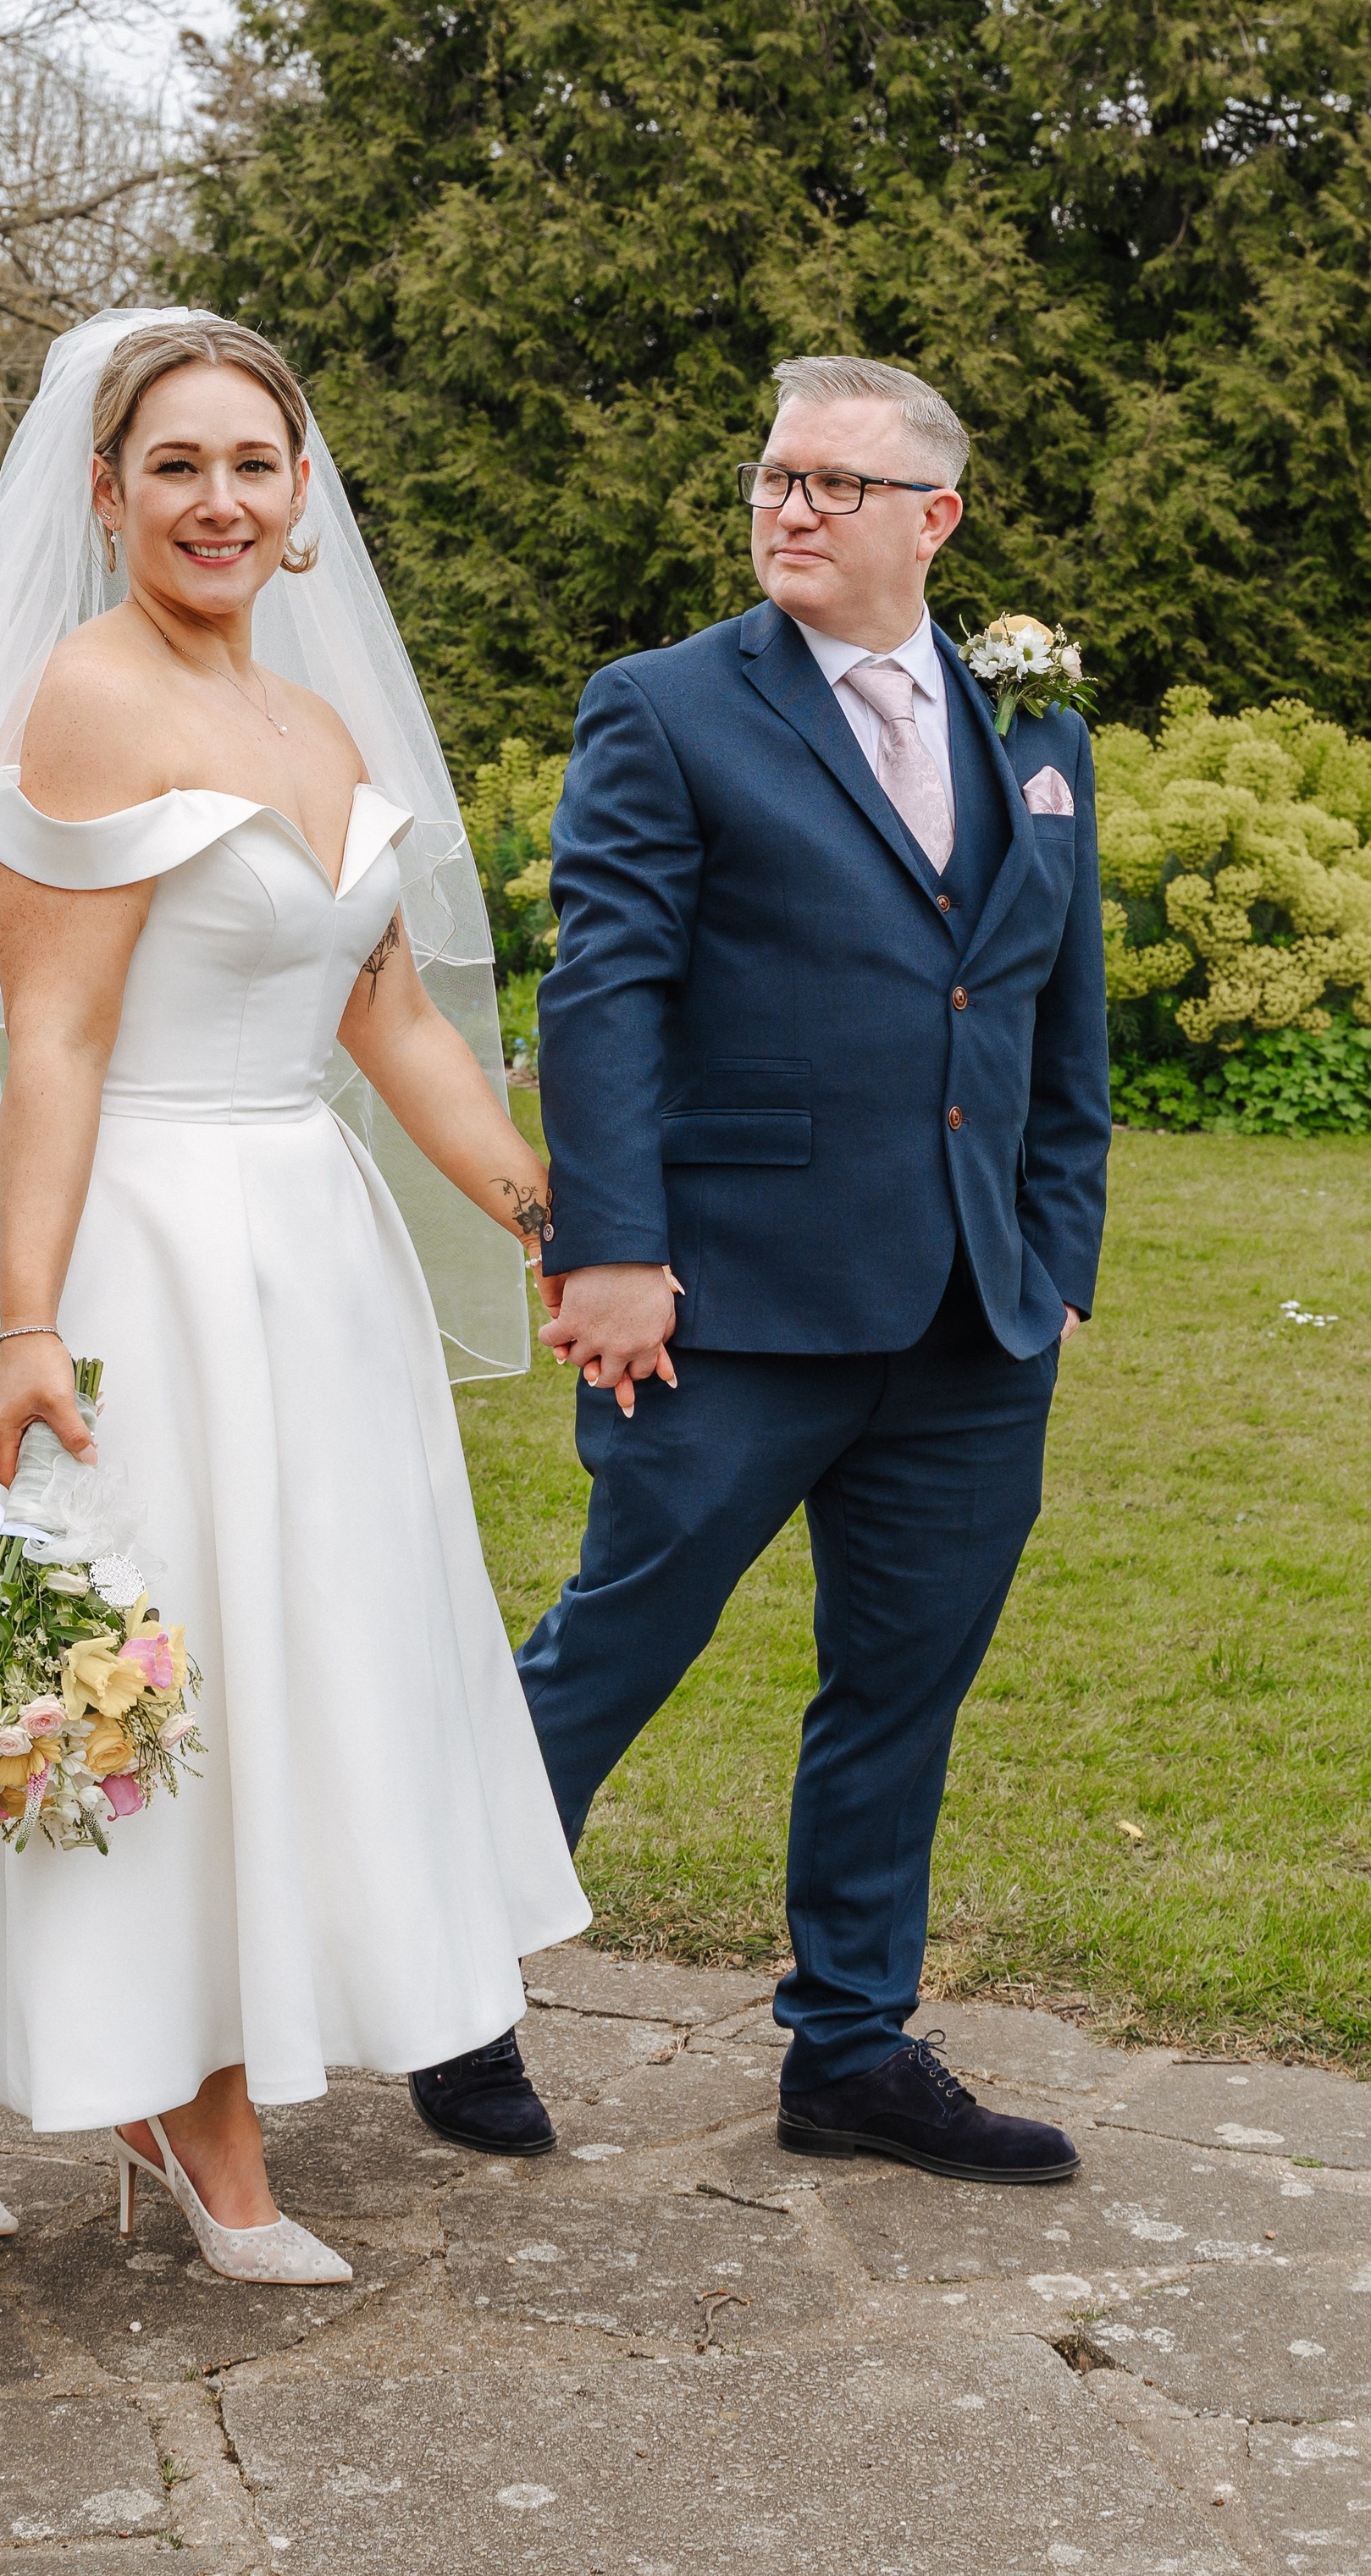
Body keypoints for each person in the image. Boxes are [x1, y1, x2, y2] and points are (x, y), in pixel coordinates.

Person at [0, 312, 588, 2267]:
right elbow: (56, 1043)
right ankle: (131, 2116)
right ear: (103, 491)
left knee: (263, 1670)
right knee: (93, 1667)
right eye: (175, 465)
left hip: (303, 1254)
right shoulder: (92, 699)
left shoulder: (322, 730)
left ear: (302, 503)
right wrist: (26, 1323)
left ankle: (88, 2082)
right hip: (123, 1248)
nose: (219, 500)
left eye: (253, 465)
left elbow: (391, 1019)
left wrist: (543, 1204)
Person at [455, 352, 1110, 2183]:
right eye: (771, 478)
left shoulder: (1032, 723)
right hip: (725, 1301)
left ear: (935, 517)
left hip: (975, 1314)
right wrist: (611, 1249)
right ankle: (440, 1981)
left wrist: (1057, 1242)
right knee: (613, 1648)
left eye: (833, 483)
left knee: (901, 1681)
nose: (790, 509)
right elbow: (606, 985)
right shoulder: (667, 707)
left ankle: (849, 2049)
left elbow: (1056, 1006)